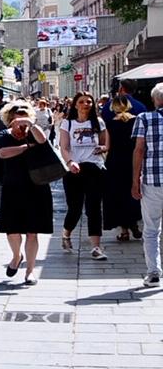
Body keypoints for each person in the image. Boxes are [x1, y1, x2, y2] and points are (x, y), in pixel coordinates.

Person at [0, 101, 53, 285]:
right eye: (16, 118)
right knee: (12, 230)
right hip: (13, 186)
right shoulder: (4, 134)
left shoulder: (35, 133)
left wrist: (31, 125)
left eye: (24, 117)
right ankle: (16, 256)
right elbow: (3, 153)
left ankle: (30, 271)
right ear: (9, 120)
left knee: (32, 232)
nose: (20, 121)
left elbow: (43, 141)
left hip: (36, 186)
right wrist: (25, 148)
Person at [58, 91, 110, 261]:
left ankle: (96, 247)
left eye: (89, 102)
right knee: (75, 208)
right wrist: (70, 162)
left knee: (94, 208)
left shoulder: (98, 122)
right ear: (75, 105)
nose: (86, 104)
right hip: (74, 169)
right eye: (81, 101)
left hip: (94, 167)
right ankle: (66, 234)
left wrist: (102, 148)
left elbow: (105, 143)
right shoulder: (68, 123)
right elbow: (63, 146)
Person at [131, 83, 163, 286]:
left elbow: (139, 150)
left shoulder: (144, 118)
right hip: (153, 180)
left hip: (153, 181)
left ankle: (154, 273)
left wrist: (135, 180)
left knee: (151, 230)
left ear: (154, 100)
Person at [104, 95, 143, 242]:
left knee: (118, 195)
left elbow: (107, 146)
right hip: (132, 160)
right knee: (133, 191)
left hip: (114, 162)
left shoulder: (110, 123)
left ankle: (124, 231)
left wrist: (99, 149)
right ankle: (134, 223)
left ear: (113, 107)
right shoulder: (137, 121)